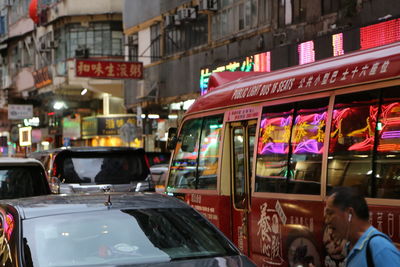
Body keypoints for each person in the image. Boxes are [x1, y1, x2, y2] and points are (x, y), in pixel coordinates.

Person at [324, 187, 400, 267]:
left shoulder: (380, 248)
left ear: (350, 213)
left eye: (330, 213)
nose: (327, 221)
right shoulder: (351, 247)